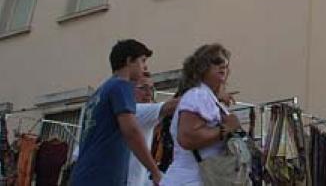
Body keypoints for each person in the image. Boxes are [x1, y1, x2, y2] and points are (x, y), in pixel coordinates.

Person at [71, 40, 163, 186]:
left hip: (85, 175)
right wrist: (155, 171)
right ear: (129, 60)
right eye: (143, 61)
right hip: (102, 177)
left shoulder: (98, 93)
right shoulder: (121, 86)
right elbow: (131, 132)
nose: (145, 67)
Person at [162, 44, 241, 185]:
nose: (223, 65)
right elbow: (187, 137)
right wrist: (226, 128)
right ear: (202, 67)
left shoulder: (205, 97)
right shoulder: (197, 95)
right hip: (191, 179)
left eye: (226, 63)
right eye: (216, 61)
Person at [127, 74, 179, 186]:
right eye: (143, 88)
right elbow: (171, 106)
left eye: (152, 89)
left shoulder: (148, 119)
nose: (149, 93)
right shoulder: (134, 111)